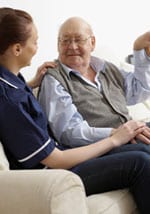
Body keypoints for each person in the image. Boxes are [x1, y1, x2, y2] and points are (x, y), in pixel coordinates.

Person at [0, 8, 150, 214]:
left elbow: (137, 91)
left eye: (78, 39)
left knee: (143, 147)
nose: (37, 48)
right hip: (53, 170)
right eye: (35, 42)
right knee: (141, 160)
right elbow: (56, 156)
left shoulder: (12, 80)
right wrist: (115, 137)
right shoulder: (16, 94)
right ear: (17, 49)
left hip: (65, 155)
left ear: (92, 43)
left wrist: (31, 83)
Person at [38, 16, 150, 149]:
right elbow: (68, 132)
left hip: (131, 135)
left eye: (78, 40)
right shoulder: (53, 78)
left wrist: (139, 50)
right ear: (58, 45)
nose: (72, 47)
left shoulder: (106, 68)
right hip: (99, 148)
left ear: (92, 42)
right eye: (65, 40)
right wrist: (118, 134)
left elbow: (140, 90)